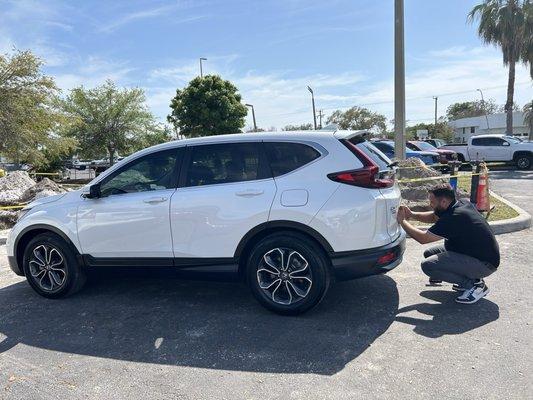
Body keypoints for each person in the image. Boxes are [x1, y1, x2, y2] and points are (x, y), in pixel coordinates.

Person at [397, 183, 500, 304]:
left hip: (484, 264)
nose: (430, 205)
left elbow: (423, 238)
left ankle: (474, 286)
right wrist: (412, 215)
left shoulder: (454, 217)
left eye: (432, 202)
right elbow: (434, 217)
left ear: (444, 202)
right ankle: (471, 278)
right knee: (429, 253)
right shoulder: (461, 203)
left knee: (428, 265)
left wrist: (402, 221)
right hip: (475, 255)